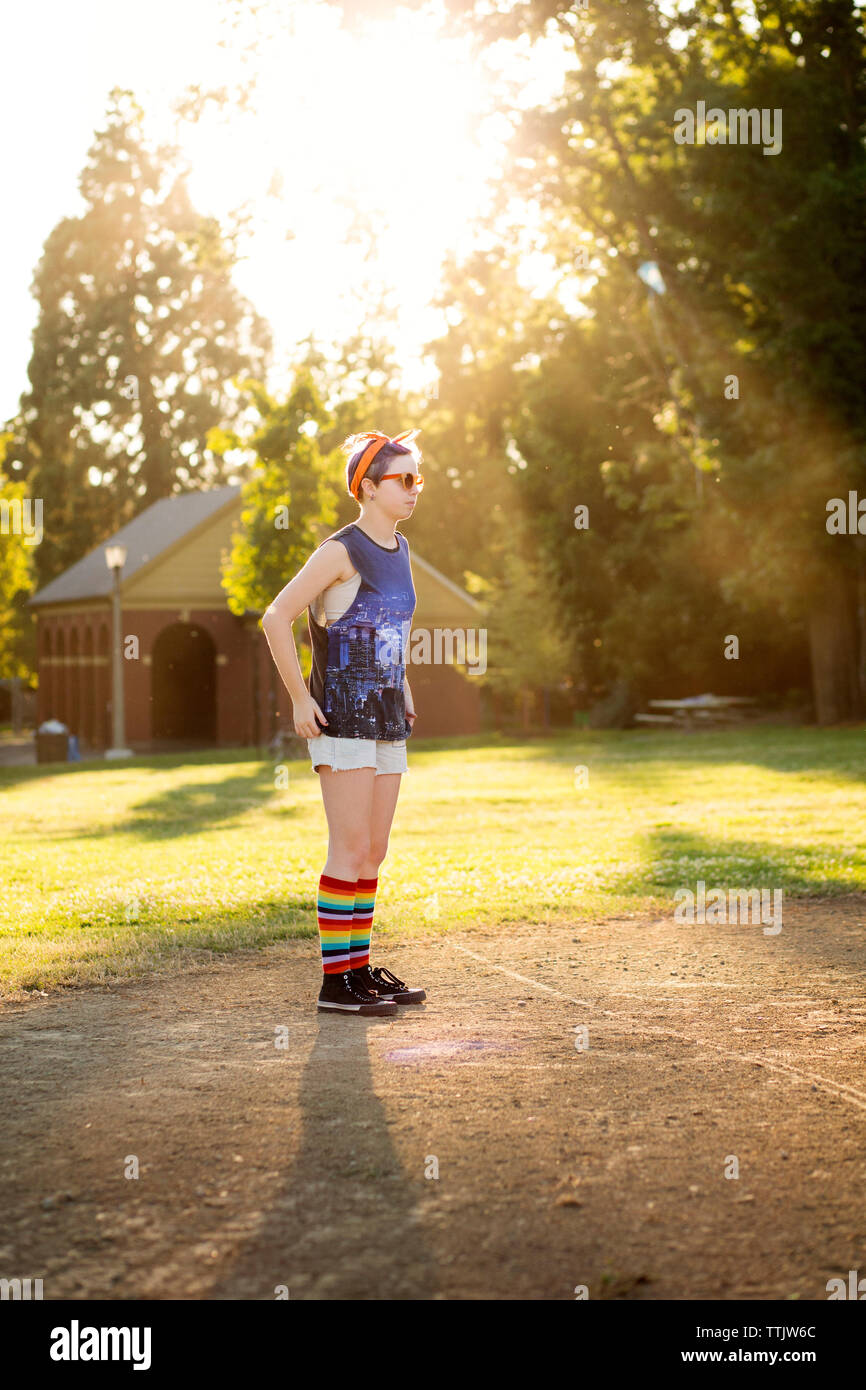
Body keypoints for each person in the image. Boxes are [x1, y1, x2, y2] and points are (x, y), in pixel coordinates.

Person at [262, 429, 428, 1016]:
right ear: (368, 486)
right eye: (402, 479)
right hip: (341, 715)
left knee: (374, 850)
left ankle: (359, 970)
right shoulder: (341, 550)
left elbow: (394, 628)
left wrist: (403, 682)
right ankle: (337, 984)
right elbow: (275, 616)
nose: (413, 489)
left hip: (385, 716)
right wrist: (299, 700)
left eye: (417, 479)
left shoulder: (402, 550)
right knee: (349, 846)